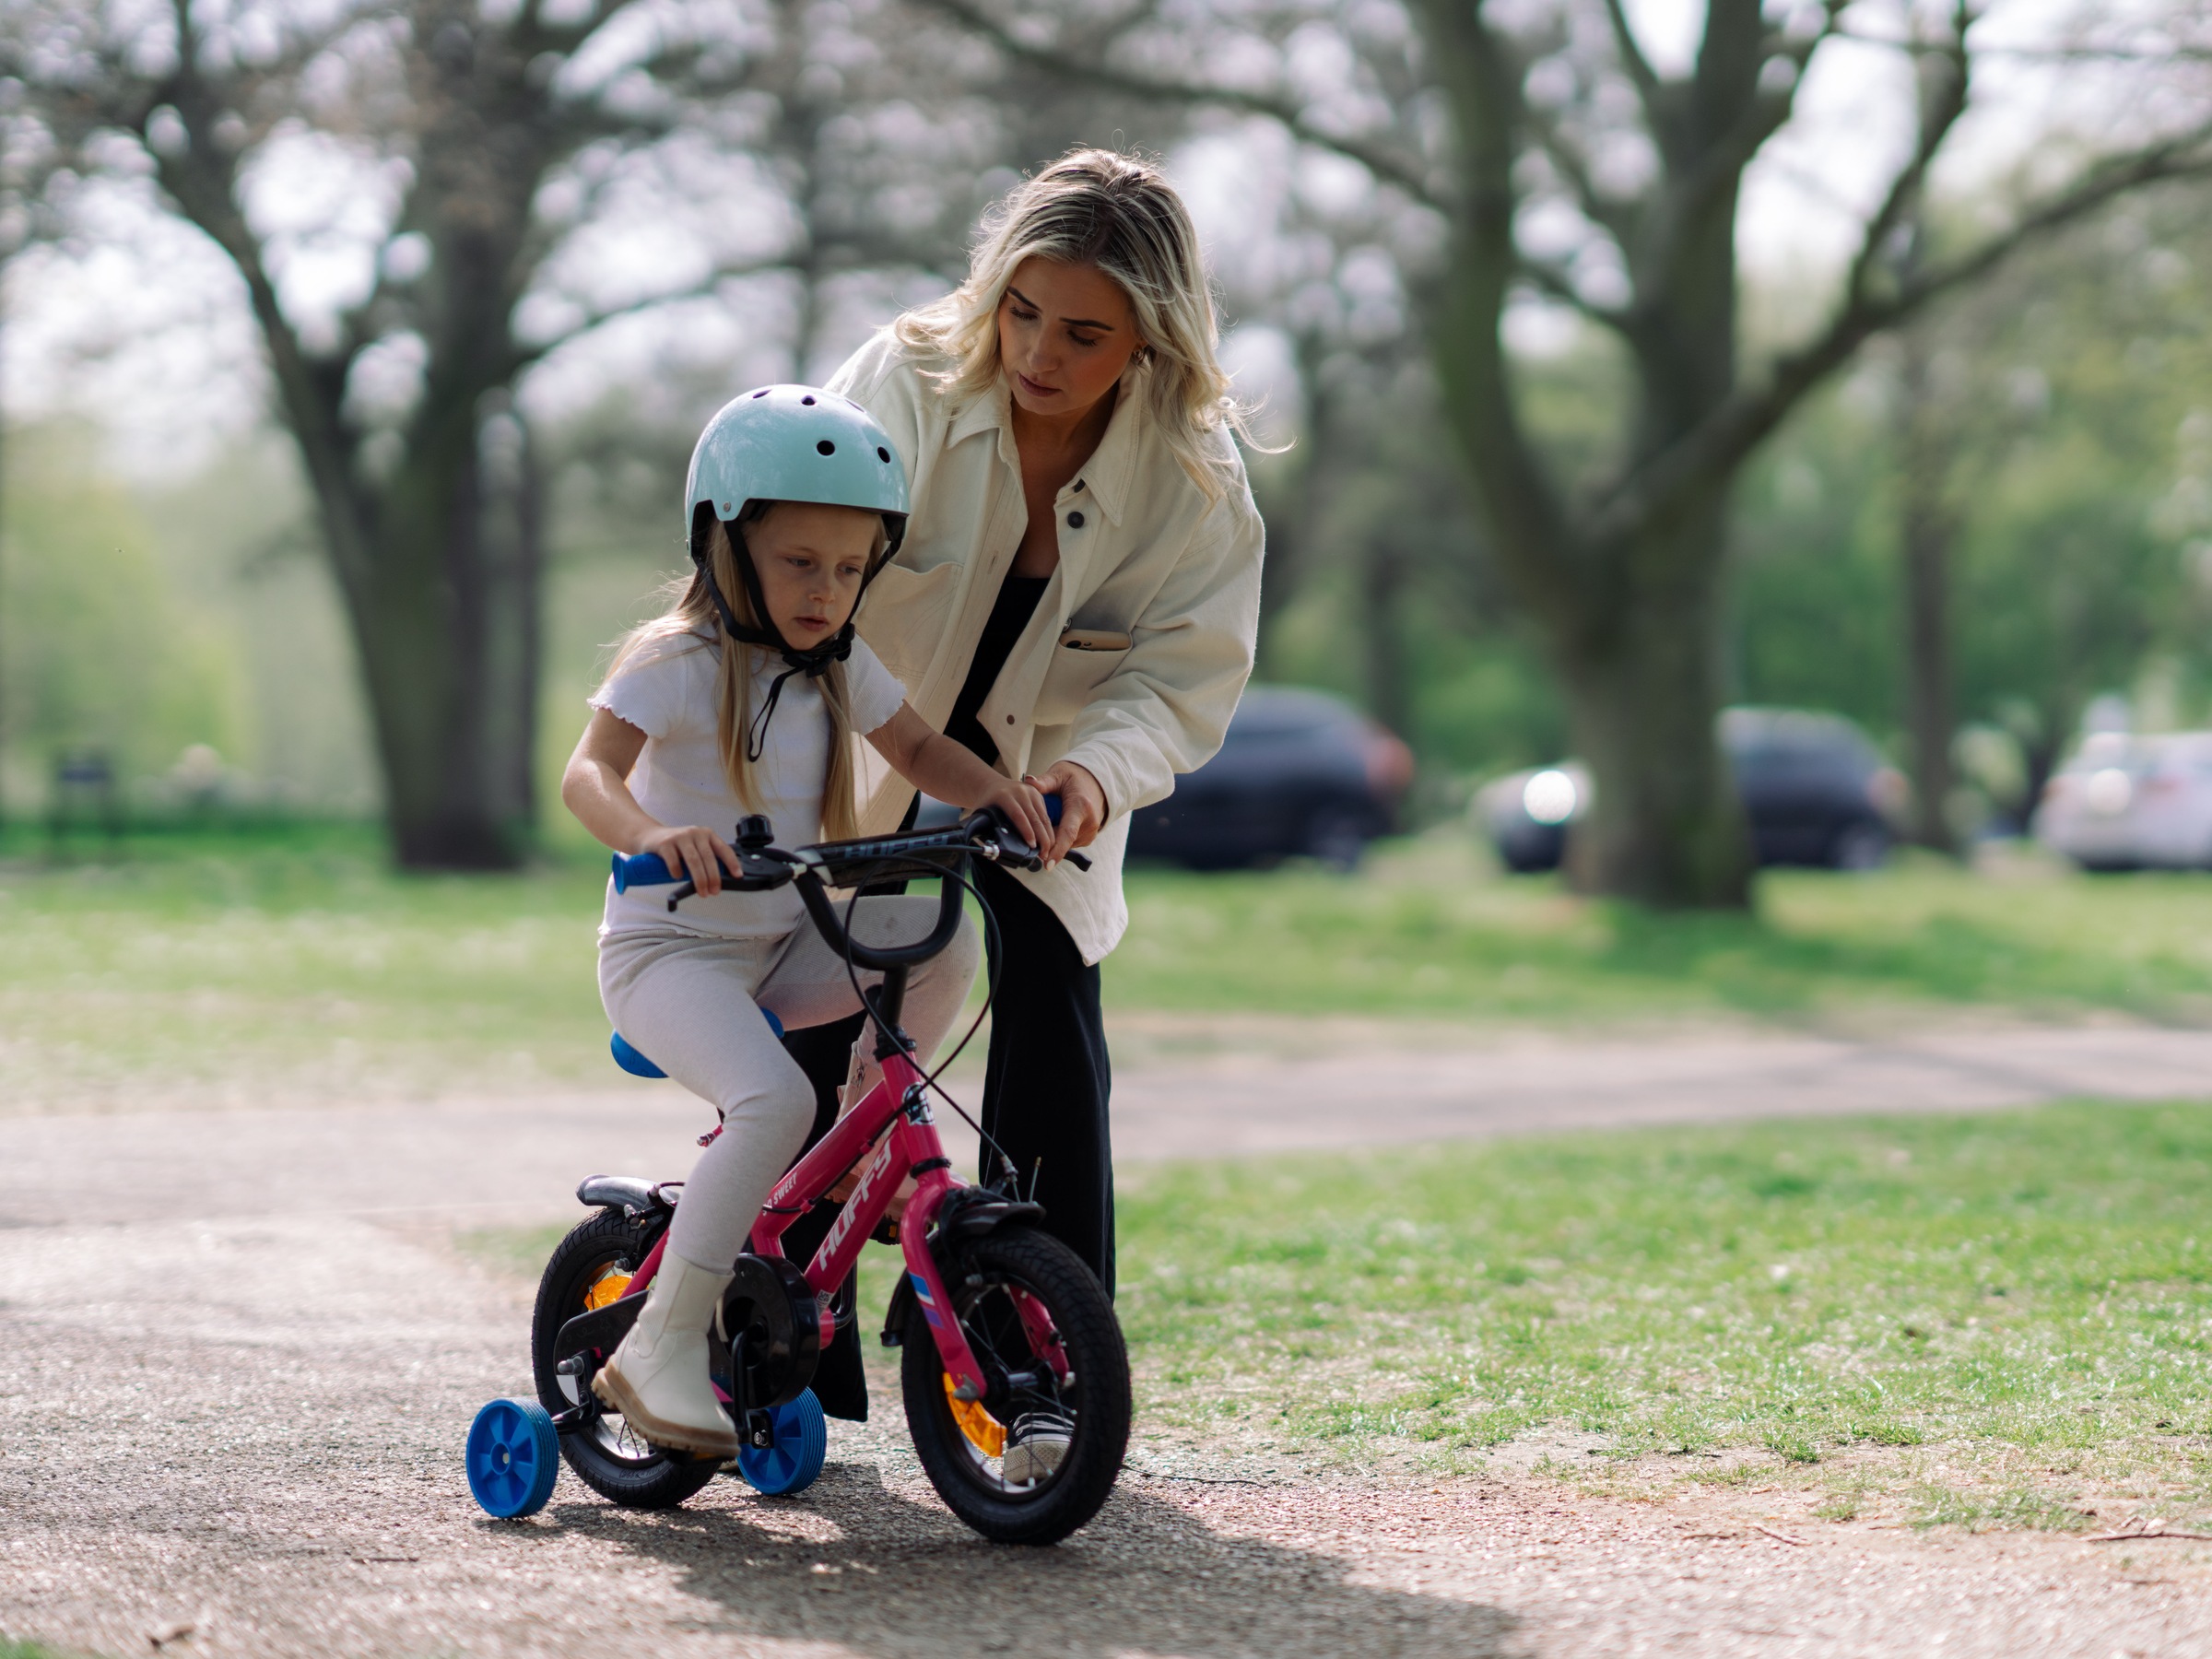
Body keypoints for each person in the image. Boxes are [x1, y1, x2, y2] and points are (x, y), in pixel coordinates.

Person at [559, 384, 1053, 1461]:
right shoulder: (673, 661)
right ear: (725, 547)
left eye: (848, 566)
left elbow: (923, 752)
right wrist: (650, 833)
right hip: (667, 954)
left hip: (782, 946)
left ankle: (881, 1131)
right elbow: (587, 774)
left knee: (941, 925)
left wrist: (996, 797)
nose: (827, 591)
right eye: (799, 563)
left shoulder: (837, 665)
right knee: (774, 1096)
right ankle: (658, 1343)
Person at [815, 148, 1265, 1301]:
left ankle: (1040, 1343)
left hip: (1042, 786)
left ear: (1152, 343)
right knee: (818, 1029)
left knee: (1054, 1004)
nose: (1037, 354)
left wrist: (1093, 779)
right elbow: (796, 580)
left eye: (1083, 334)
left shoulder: (1196, 480)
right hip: (850, 749)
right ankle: (779, 1347)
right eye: (1022, 312)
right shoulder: (906, 383)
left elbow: (1179, 674)